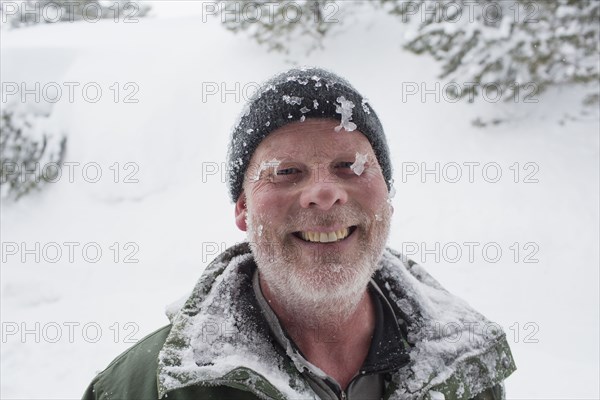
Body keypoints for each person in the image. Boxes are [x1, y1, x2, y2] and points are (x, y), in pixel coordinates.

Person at [83, 67, 516, 400]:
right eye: (287, 172)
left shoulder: (465, 363)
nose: (324, 193)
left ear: (387, 195)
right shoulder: (144, 388)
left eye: (351, 167)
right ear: (243, 210)